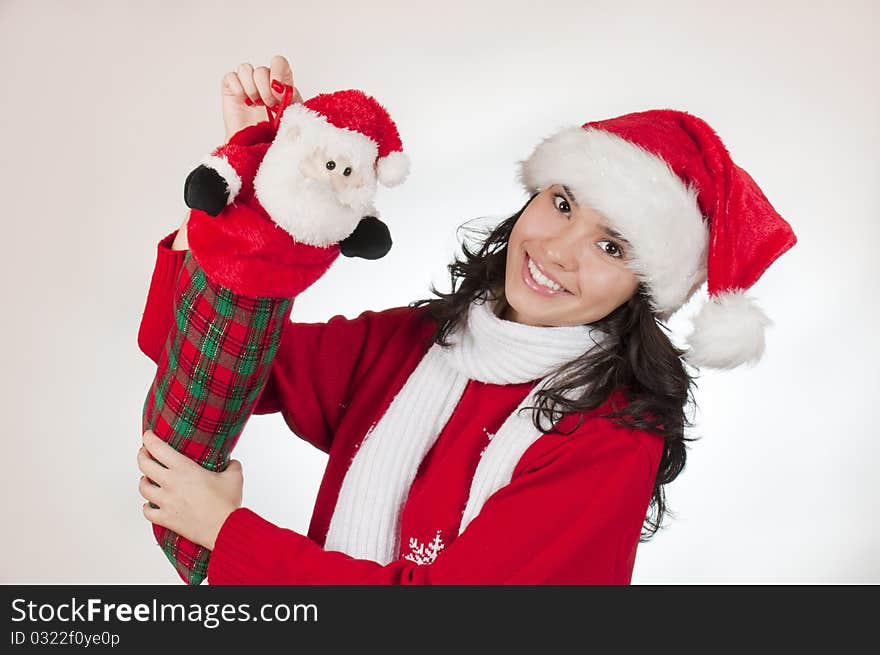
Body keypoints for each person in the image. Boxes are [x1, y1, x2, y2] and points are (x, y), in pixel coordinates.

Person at [136, 55, 797, 584]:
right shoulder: (417, 343)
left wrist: (226, 535)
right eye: (562, 203)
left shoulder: (612, 439)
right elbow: (193, 349)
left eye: (612, 245)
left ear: (643, 287)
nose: (558, 250)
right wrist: (264, 194)